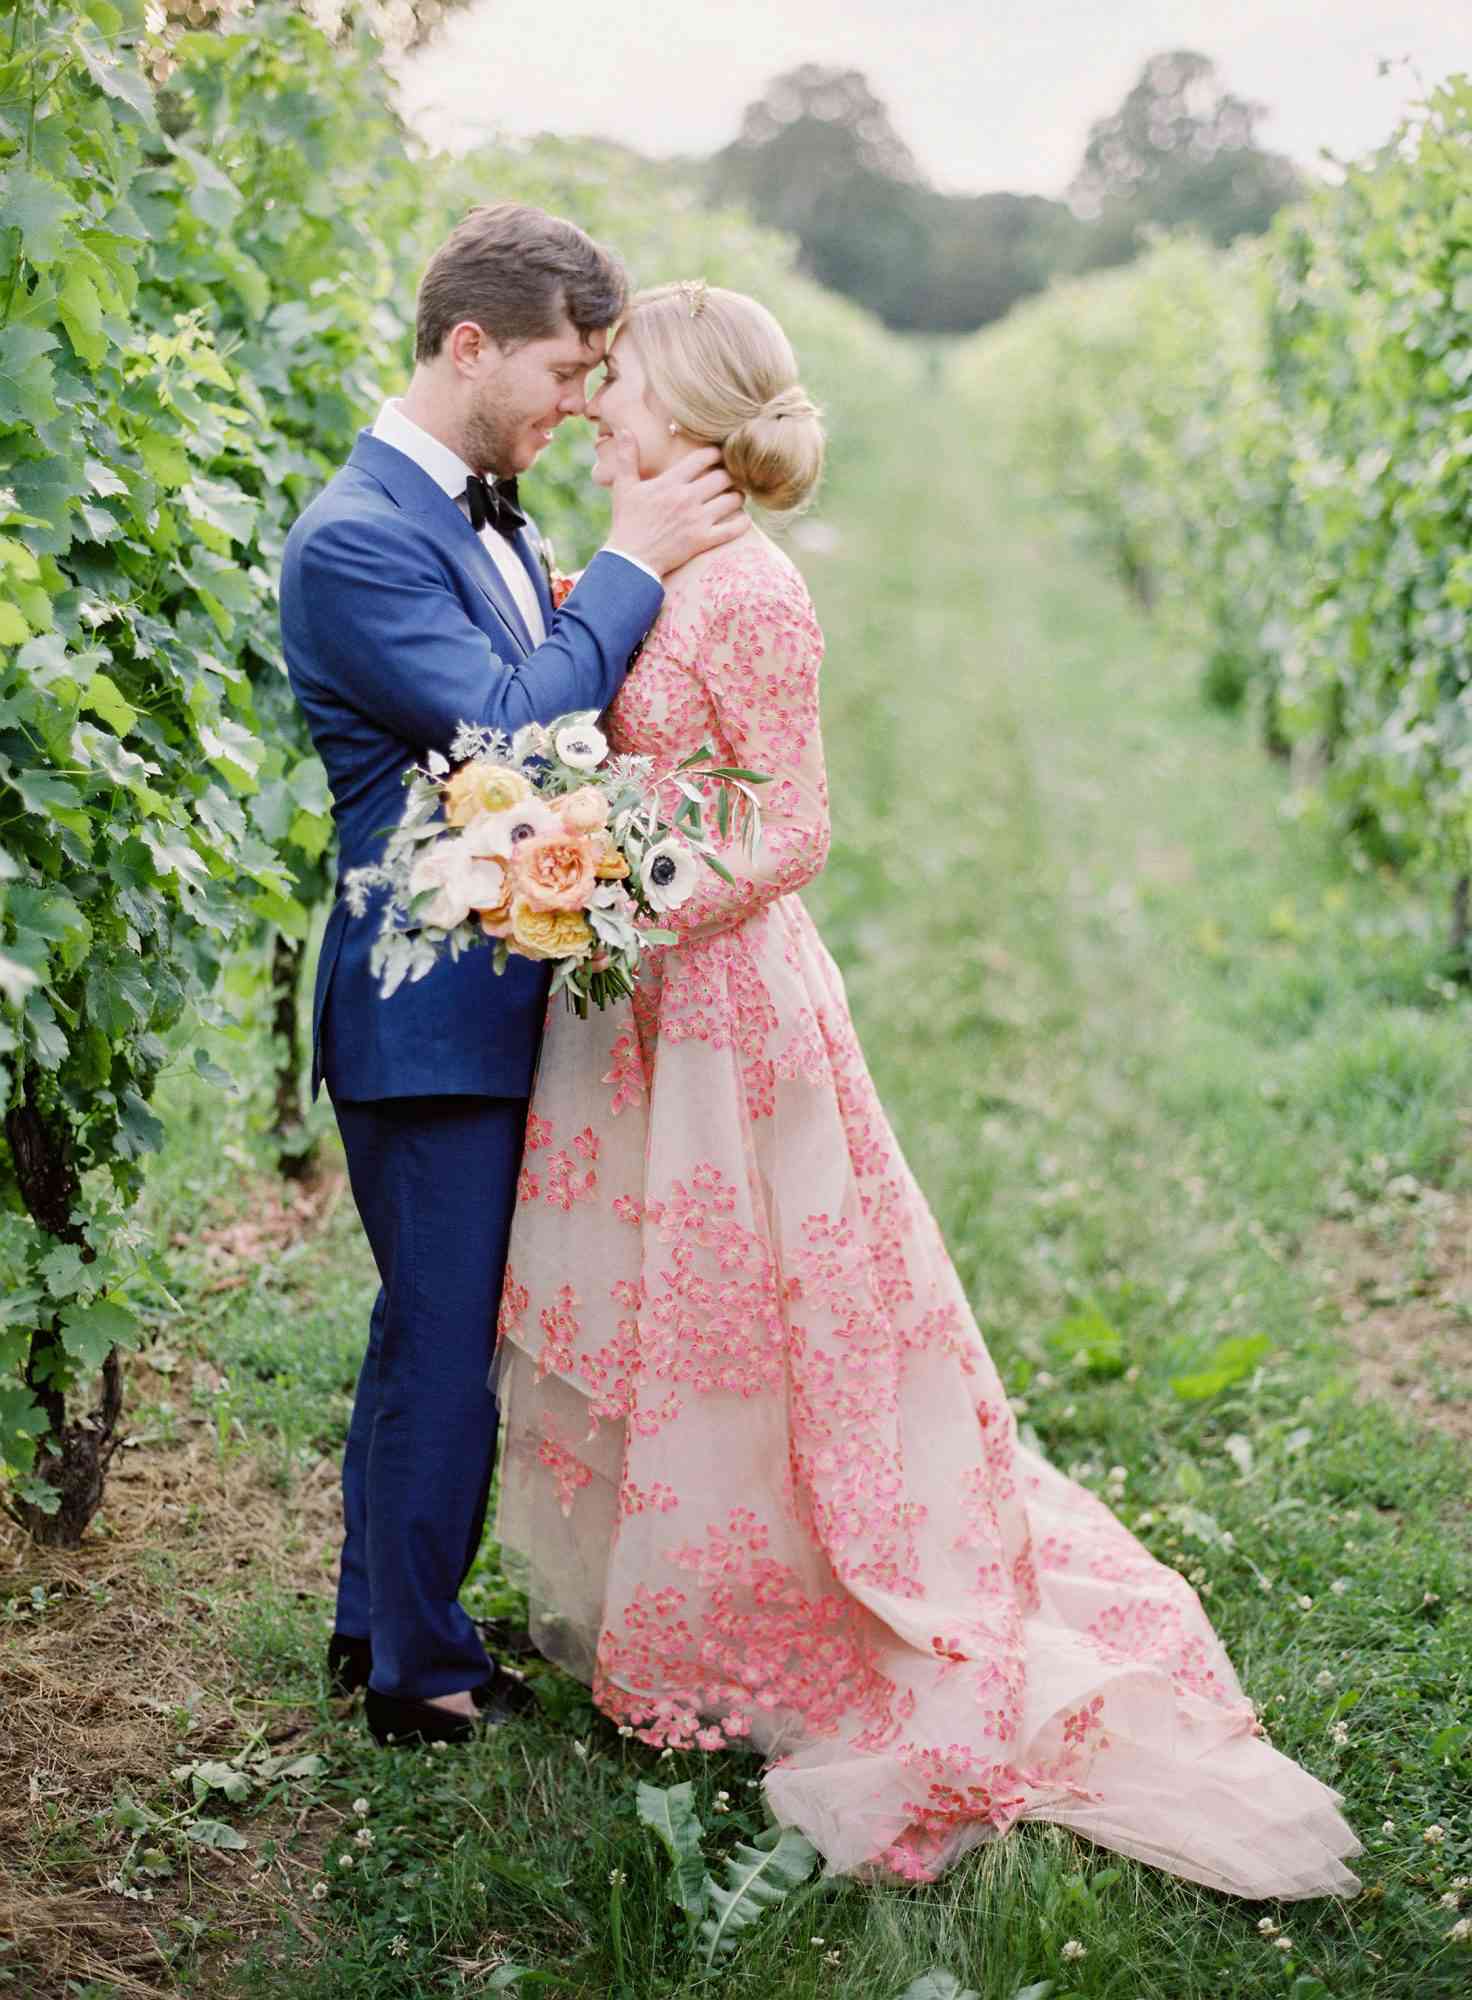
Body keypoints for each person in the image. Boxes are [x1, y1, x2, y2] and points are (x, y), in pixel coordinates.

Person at [491, 280, 1364, 1895]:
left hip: (721, 1003)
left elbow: (796, 825)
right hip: (635, 1005)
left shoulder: (751, 592)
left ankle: (784, 1602)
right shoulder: (637, 565)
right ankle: (667, 1599)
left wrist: (621, 897)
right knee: (658, 1303)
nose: (598, 402)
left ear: (686, 410)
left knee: (749, 1308)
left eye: (621, 383)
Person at [278, 207, 747, 1750]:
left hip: (490, 1001)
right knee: (444, 1338)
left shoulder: (492, 513)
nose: (577, 404)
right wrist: (632, 564)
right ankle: (419, 1679)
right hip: (423, 1014)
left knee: (432, 1327)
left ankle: (382, 1623)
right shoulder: (355, 539)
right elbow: (504, 725)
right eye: (563, 370)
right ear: (468, 345)